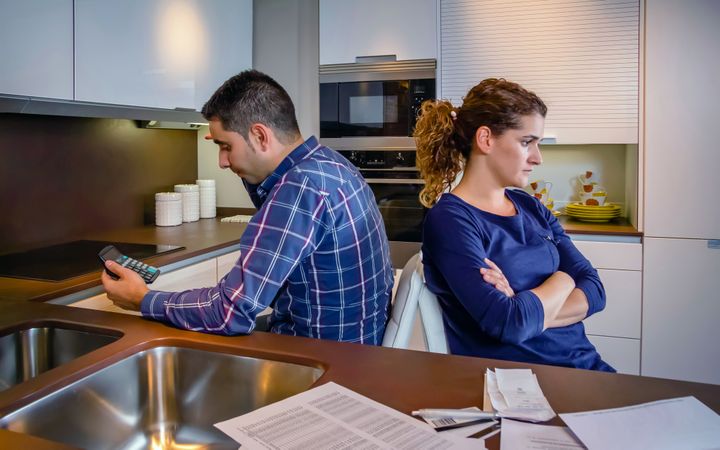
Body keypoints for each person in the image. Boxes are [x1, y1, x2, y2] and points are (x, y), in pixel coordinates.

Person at [102, 70, 394, 344]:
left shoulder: (300, 188)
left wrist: (143, 299)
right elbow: (276, 206)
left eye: (226, 147)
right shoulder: (329, 164)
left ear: (260, 136)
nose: (222, 161)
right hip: (355, 347)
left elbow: (229, 313)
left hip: (317, 358)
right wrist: (235, 149)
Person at [414, 78, 614, 371]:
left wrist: (527, 306)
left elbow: (595, 290)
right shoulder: (451, 221)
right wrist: (564, 280)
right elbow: (507, 323)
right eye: (526, 142)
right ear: (486, 139)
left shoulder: (530, 206)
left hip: (587, 368)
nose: (538, 158)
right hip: (519, 387)